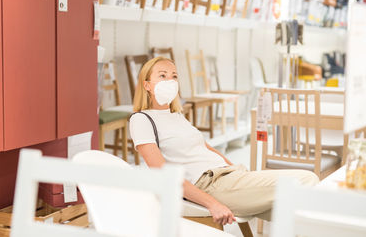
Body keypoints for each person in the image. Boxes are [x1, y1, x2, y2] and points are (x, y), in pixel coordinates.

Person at [129, 57, 319, 226]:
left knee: (301, 212)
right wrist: (213, 204)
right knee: (307, 179)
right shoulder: (141, 120)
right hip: (210, 184)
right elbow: (165, 175)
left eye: (174, 76)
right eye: (162, 76)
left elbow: (205, 148)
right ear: (147, 85)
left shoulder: (177, 115)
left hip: (230, 176)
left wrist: (235, 169)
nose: (170, 81)